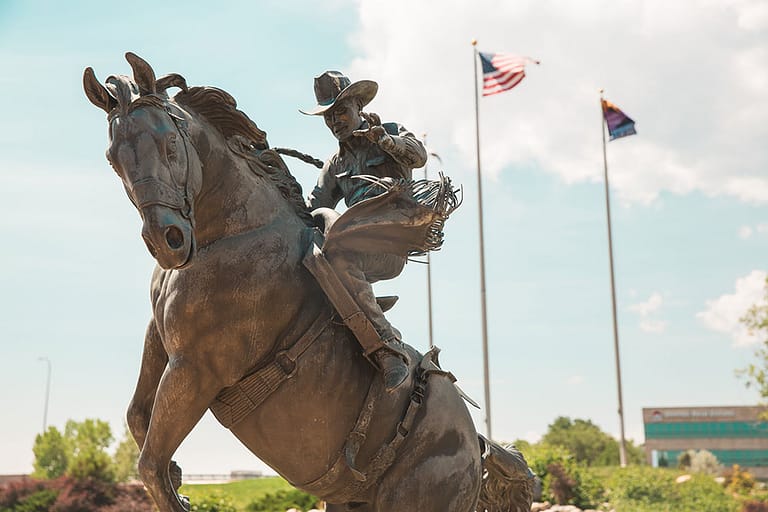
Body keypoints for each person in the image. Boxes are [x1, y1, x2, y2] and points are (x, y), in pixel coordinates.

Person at [301, 71, 427, 391]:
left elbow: (419, 155)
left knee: (340, 259)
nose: (334, 122)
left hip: (389, 245)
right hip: (354, 246)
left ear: (359, 107)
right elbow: (310, 208)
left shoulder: (390, 134)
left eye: (341, 112)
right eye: (328, 117)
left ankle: (388, 347)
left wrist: (385, 140)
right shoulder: (335, 164)